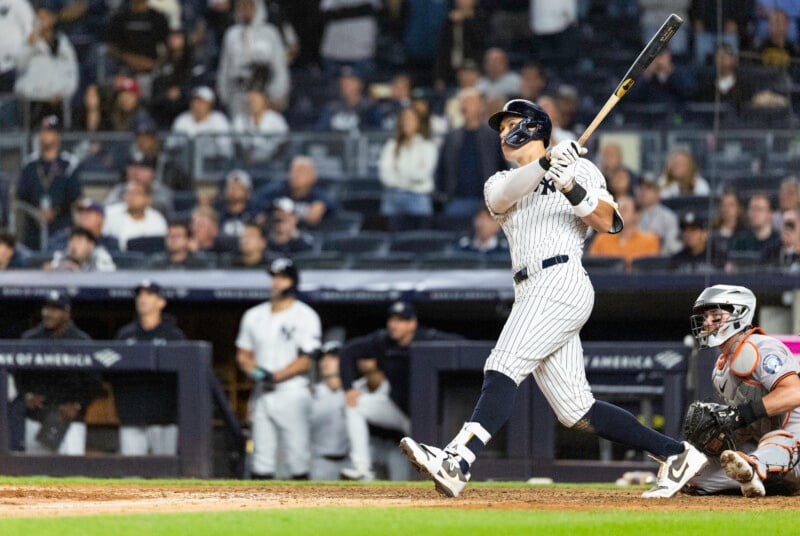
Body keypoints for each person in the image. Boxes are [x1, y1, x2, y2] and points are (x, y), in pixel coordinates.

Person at [398, 98, 706, 499]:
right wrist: (546, 166)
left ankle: (458, 460)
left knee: (503, 363)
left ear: (533, 127)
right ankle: (677, 454)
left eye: (511, 124)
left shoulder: (579, 167)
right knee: (576, 410)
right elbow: (504, 196)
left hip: (561, 280)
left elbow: (609, 221)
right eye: (502, 127)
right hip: (528, 288)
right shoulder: (500, 180)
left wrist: (569, 184)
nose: (504, 133)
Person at [684, 285, 800, 497]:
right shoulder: (720, 369)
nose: (707, 322)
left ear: (739, 314)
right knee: (695, 480)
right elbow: (751, 423)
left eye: (715, 316)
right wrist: (725, 430)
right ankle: (760, 475)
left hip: (793, 442)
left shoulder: (761, 346)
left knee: (778, 440)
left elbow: (795, 393)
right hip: (768, 448)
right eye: (706, 317)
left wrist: (740, 415)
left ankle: (756, 469)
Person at [340, 301, 463, 481]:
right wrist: (348, 388)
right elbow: (347, 351)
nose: (394, 324)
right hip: (398, 409)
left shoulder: (428, 339)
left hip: (427, 417)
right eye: (392, 319)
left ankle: (456, 479)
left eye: (401, 320)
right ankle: (362, 467)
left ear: (412, 324)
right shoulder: (382, 341)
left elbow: (464, 346)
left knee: (436, 467)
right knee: (355, 406)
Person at [236, 258, 321, 479]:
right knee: (261, 459)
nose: (275, 283)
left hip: (293, 392)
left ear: (293, 282)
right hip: (263, 392)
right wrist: (254, 372)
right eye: (273, 277)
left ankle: (303, 510)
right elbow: (243, 354)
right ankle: (257, 511)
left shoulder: (306, 315)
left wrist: (274, 376)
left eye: (282, 278)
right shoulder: (254, 315)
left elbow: (306, 360)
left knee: (298, 459)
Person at [16, 290, 101, 455]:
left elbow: (94, 380)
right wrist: (26, 396)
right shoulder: (30, 339)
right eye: (46, 308)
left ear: (66, 313)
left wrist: (78, 404)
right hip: (37, 416)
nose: (48, 314)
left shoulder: (81, 340)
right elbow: (18, 375)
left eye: (55, 309)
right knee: (35, 475)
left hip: (68, 418)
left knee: (71, 474)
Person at [111, 280, 187, 455]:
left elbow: (182, 378)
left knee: (166, 475)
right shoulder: (125, 335)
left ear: (161, 302)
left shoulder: (173, 336)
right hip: (131, 415)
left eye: (149, 294)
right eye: (140, 295)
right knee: (131, 476)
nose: (142, 299)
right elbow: (114, 375)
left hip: (164, 417)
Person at [435, 89, 506, 216]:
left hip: (486, 202)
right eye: (463, 102)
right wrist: (443, 196)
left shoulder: (493, 136)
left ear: (481, 107)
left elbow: (502, 167)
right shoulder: (451, 137)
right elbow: (441, 169)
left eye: (471, 101)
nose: (466, 105)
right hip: (456, 200)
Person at [17, 115, 81, 250]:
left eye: (49, 131)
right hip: (33, 227)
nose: (44, 135)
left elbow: (74, 195)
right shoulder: (30, 164)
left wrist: (55, 211)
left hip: (61, 226)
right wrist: (36, 211)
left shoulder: (68, 163)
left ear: (58, 136)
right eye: (42, 131)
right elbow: (21, 194)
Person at [217, 0, 289, 116]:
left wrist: (278, 94)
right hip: (238, 93)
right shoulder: (231, 34)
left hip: (265, 92)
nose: (246, 11)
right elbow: (225, 66)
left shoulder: (270, 33)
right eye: (242, 7)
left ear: (258, 8)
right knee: (239, 128)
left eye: (249, 7)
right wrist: (224, 94)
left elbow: (279, 66)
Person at [14, 0, 78, 128]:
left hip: (56, 100)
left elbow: (72, 71)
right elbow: (19, 65)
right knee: (34, 135)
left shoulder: (62, 42)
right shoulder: (28, 41)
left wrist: (64, 93)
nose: (42, 21)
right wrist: (30, 44)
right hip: (32, 101)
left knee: (55, 133)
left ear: (53, 19)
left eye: (45, 17)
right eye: (39, 17)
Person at [378, 106, 437, 220]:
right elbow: (384, 174)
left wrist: (398, 170)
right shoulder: (391, 145)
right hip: (393, 197)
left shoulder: (428, 147)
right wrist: (409, 175)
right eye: (404, 119)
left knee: (420, 236)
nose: (407, 122)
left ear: (418, 122)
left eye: (410, 119)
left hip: (418, 198)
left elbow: (422, 175)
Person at [254, 156, 337, 229]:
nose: (296, 175)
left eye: (302, 172)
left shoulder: (320, 196)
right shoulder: (278, 190)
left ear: (313, 177)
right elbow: (256, 202)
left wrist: (323, 205)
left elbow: (335, 208)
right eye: (294, 171)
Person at [310, 340, 350, 481]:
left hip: (350, 463)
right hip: (319, 463)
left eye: (332, 357)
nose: (325, 361)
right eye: (322, 358)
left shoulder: (355, 390)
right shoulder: (311, 393)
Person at [588, 195, 660, 271]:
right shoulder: (601, 239)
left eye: (624, 209)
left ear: (636, 215)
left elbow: (651, 272)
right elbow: (593, 268)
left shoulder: (650, 241)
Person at [102, 181, 168, 251]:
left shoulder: (157, 220)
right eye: (129, 193)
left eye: (137, 194)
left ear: (148, 199)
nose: (132, 197)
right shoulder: (110, 214)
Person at [729, 193, 781, 264]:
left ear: (770, 214)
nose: (755, 213)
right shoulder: (740, 240)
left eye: (759, 209)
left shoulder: (778, 241)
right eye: (752, 209)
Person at [636, 173, 682, 255]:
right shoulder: (629, 214)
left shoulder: (668, 217)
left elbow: (671, 246)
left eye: (648, 188)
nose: (643, 191)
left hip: (659, 262)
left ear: (658, 193)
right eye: (641, 188)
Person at [47, 225, 116, 272]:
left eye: (79, 241)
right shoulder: (63, 255)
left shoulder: (100, 255)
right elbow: (50, 272)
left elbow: (107, 278)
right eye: (72, 240)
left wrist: (78, 272)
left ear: (90, 245)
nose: (74, 244)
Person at [217, 169, 258, 238]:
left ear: (248, 192)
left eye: (238, 186)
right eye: (230, 186)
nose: (233, 190)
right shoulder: (218, 215)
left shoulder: (254, 216)